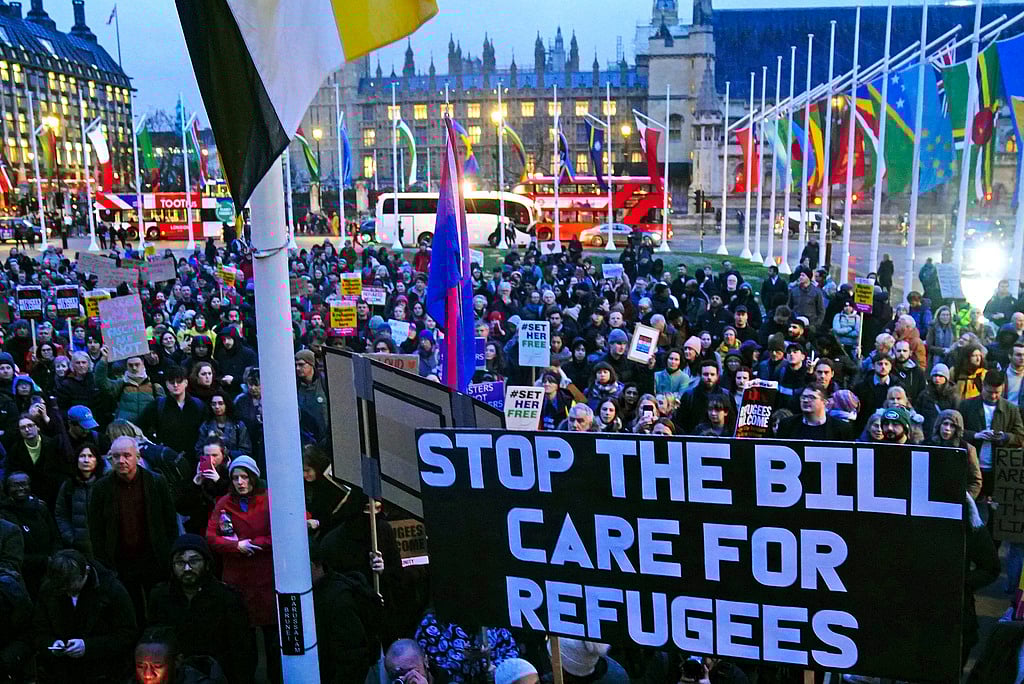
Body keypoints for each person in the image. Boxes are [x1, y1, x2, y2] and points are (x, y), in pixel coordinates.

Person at [88, 435, 179, 626]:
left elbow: (170, 522)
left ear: (137, 457)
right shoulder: (101, 488)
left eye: (126, 455)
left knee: (159, 606)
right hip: (120, 561)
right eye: (116, 456)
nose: (121, 461)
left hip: (153, 557)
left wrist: (170, 554)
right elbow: (96, 530)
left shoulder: (156, 482)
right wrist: (103, 561)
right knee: (129, 610)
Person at [205, 455, 278, 682]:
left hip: (266, 577)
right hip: (238, 580)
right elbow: (211, 537)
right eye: (236, 478)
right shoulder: (224, 503)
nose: (240, 482)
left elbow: (280, 530)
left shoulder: (269, 498)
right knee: (243, 640)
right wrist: (236, 546)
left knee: (273, 638)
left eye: (244, 477)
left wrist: (256, 544)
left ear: (253, 478)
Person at [146, 534, 255, 684]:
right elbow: (153, 641)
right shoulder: (160, 597)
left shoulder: (228, 598)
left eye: (194, 561)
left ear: (207, 563)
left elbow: (242, 651)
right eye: (180, 562)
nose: (187, 568)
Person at [33, 549, 137, 683]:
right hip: (61, 673)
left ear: (86, 571)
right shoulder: (49, 590)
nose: (69, 594)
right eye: (64, 591)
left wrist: (88, 647)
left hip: (104, 673)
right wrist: (52, 645)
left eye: (74, 589)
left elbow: (127, 634)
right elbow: (39, 630)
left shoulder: (111, 590)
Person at [961, 370, 1024, 502]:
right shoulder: (966, 405)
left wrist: (1005, 437)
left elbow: (1020, 437)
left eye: (997, 392)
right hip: (972, 467)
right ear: (983, 386)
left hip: (999, 469)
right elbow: (956, 432)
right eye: (990, 392)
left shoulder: (1011, 409)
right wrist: (975, 435)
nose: (994, 396)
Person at [138, 366, 207, 457]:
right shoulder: (158, 405)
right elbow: (140, 428)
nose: (175, 385)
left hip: (194, 457)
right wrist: (156, 446)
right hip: (167, 458)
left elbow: (206, 431)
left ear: (186, 383)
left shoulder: (198, 405)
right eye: (171, 382)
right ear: (166, 384)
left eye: (179, 381)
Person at [54, 442, 105, 557]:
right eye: (82, 456)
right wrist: (70, 538)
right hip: (78, 547)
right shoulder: (68, 486)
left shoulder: (104, 484)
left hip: (103, 546)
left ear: (97, 460)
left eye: (90, 456)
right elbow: (61, 514)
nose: (86, 460)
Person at [925, 410, 983, 500]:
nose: (947, 428)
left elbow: (975, 480)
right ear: (939, 425)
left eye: (952, 426)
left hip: (955, 499)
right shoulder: (926, 445)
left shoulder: (967, 449)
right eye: (945, 424)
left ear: (957, 429)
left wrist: (965, 499)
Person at [776, 384, 851, 440]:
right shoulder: (787, 425)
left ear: (825, 402)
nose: (805, 400)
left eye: (812, 397)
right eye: (803, 397)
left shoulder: (841, 428)